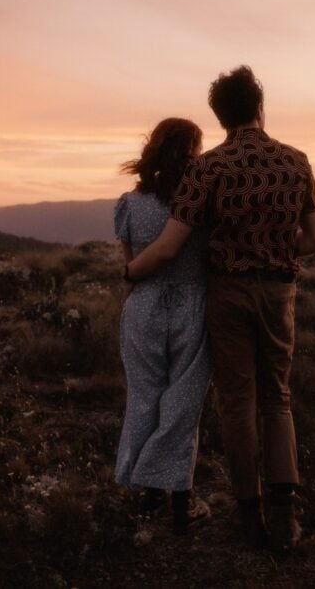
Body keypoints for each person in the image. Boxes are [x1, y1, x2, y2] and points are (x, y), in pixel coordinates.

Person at [124, 66, 315, 551]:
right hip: (277, 294)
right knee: (276, 398)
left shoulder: (207, 168)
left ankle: (248, 514)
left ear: (220, 117)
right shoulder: (295, 162)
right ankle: (285, 516)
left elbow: (172, 244)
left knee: (236, 402)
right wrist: (274, 254)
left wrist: (130, 272)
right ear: (260, 106)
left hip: (226, 293)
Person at [113, 117, 212, 535]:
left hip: (145, 304)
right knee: (183, 403)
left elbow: (130, 261)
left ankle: (146, 488)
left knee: (144, 396)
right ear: (193, 151)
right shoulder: (202, 200)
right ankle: (181, 500)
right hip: (193, 302)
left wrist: (131, 292)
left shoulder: (129, 204)